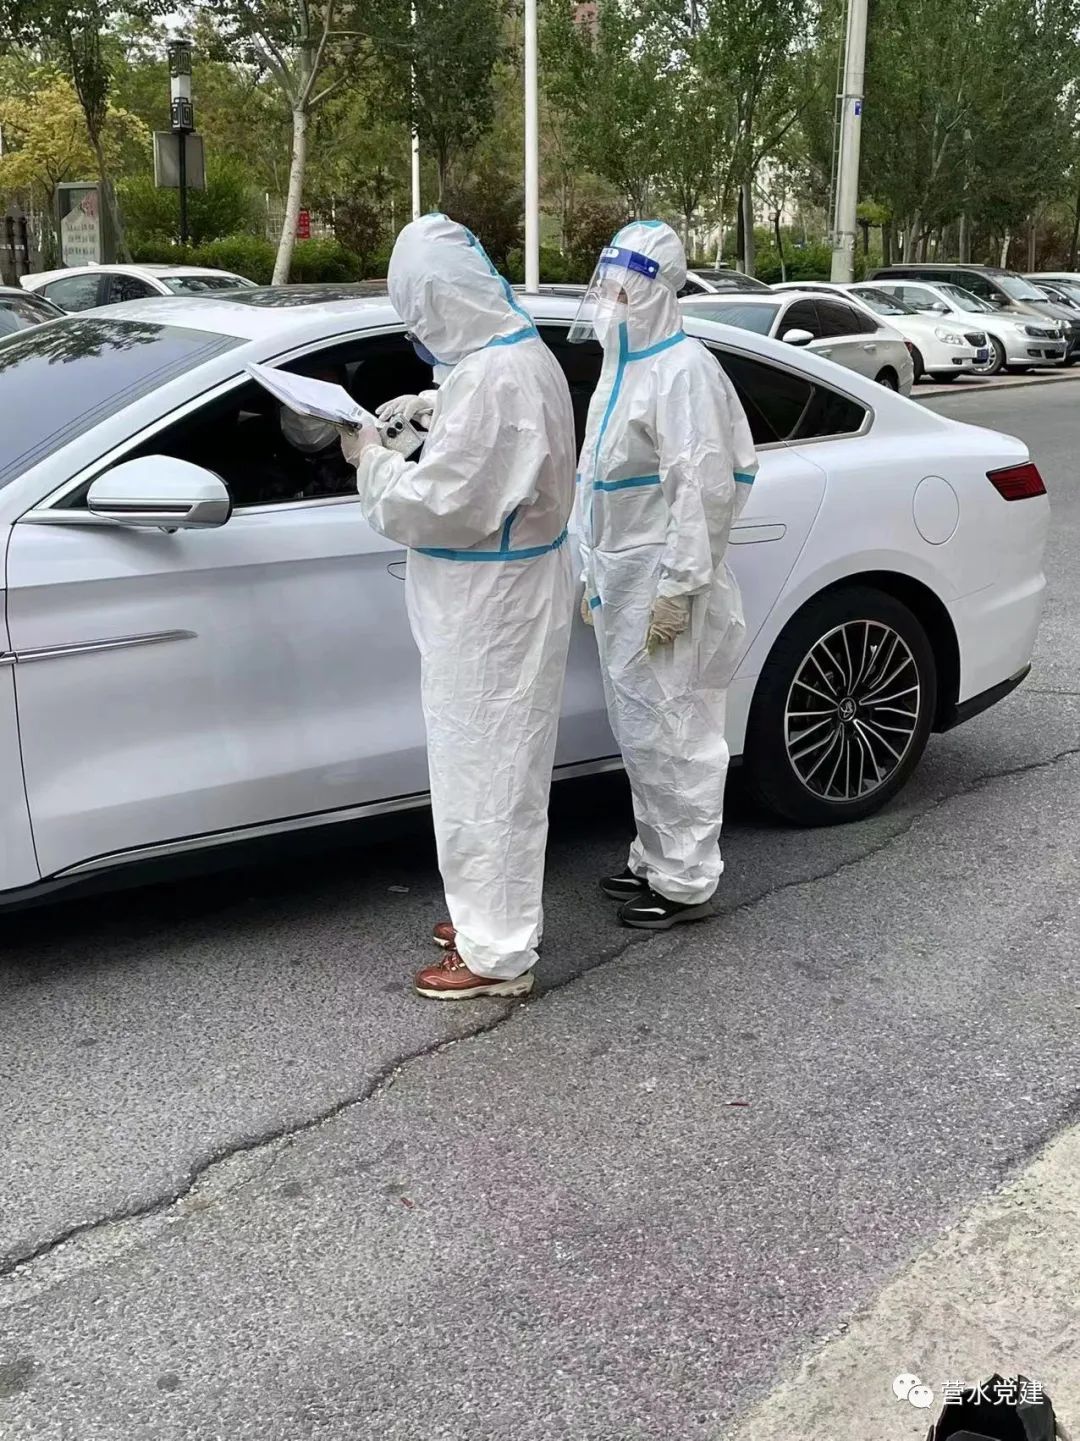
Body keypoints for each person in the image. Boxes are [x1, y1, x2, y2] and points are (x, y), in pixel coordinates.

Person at [340, 213, 576, 1000]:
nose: (416, 330)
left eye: (417, 312)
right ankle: (489, 916)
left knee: (487, 773)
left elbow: (442, 503)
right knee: (493, 769)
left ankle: (495, 952)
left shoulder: (497, 376)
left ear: (441, 300)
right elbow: (494, 453)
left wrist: (371, 462)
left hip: (491, 609)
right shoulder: (510, 357)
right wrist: (436, 411)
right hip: (502, 597)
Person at [571, 220, 758, 930]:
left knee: (678, 731)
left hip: (662, 584)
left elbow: (703, 489)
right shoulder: (626, 369)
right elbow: (597, 483)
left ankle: (685, 880)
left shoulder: (682, 370)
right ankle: (653, 856)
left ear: (653, 290)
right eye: (604, 287)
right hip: (624, 584)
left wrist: (678, 589)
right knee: (643, 731)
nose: (608, 302)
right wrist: (590, 571)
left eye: (620, 288)